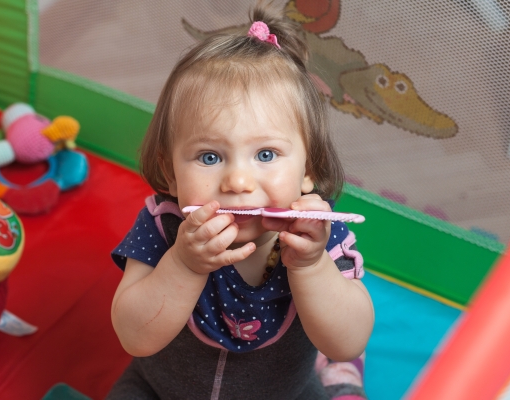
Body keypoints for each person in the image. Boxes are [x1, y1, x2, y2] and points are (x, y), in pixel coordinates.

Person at [108, 4, 374, 399]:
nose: (237, 181)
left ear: (308, 170)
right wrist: (183, 264)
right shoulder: (163, 226)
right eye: (210, 157)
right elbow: (134, 337)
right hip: (160, 390)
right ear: (169, 172)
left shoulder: (318, 234)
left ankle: (339, 379)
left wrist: (313, 266)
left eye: (266, 155)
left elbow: (347, 341)